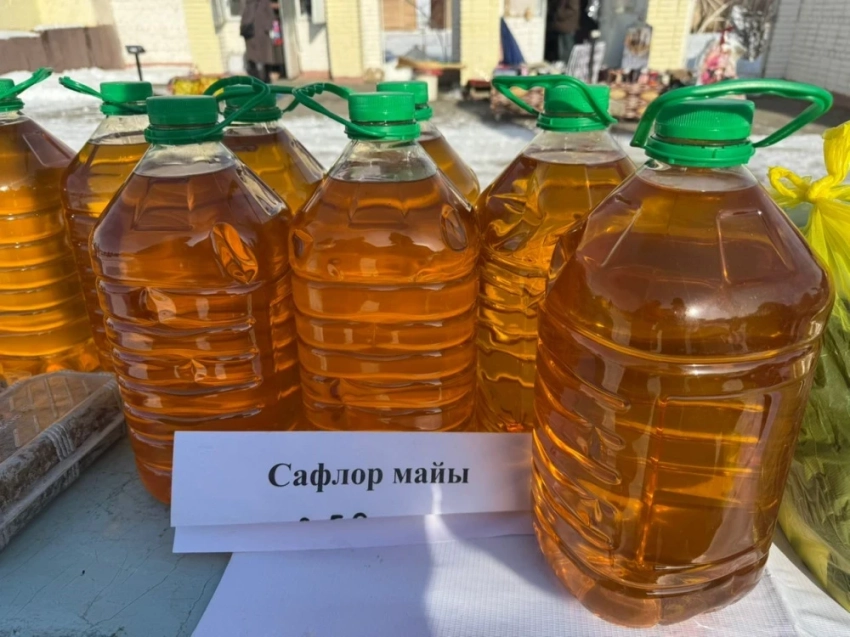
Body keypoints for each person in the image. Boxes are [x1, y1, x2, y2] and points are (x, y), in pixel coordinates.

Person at [241, 0, 276, 82]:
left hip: (262, 35)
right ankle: (256, 79)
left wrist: (267, 28)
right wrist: (245, 29)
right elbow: (244, 17)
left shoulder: (264, 2)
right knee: (252, 58)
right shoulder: (247, 3)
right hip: (250, 35)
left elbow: (271, 16)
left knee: (266, 57)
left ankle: (266, 79)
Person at [547, 0, 581, 65]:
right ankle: (563, 64)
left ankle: (567, 65)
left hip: (568, 27)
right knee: (561, 49)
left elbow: (573, 9)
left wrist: (559, 13)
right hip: (561, 27)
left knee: (567, 50)